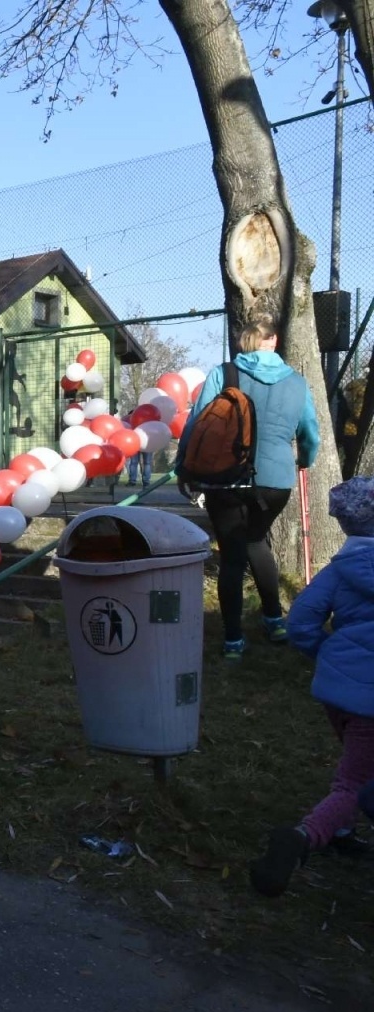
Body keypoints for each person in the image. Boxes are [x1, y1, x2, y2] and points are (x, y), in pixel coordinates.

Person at [250, 476, 374, 896]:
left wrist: (329, 657)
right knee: (356, 783)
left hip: (338, 692)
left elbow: (301, 621)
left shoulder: (338, 572)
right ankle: (304, 837)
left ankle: (340, 832)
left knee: (355, 762)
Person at [176, 314, 319, 661]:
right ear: (273, 343)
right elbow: (309, 433)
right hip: (276, 481)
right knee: (256, 542)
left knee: (232, 556)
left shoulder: (224, 374)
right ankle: (274, 619)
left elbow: (197, 424)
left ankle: (233, 640)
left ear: (245, 344)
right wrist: (305, 461)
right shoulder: (297, 382)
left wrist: (184, 467)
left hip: (225, 478)